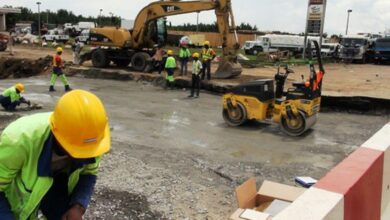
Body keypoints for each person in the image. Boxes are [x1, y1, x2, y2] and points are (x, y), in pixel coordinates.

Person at [0, 90, 111, 220]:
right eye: (77, 151)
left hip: (60, 184)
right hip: (14, 199)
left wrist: (78, 205)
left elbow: (89, 173)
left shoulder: (92, 138)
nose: (84, 157)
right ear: (56, 134)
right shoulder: (19, 140)